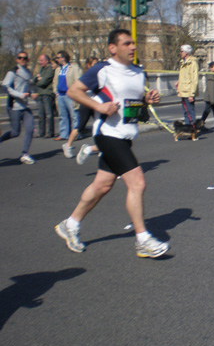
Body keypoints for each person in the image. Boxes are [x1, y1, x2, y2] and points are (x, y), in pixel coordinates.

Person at [54, 28, 169, 259]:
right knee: (137, 183)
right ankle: (142, 239)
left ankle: (71, 224)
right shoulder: (102, 69)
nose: (133, 47)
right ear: (113, 48)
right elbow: (75, 91)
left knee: (102, 185)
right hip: (107, 133)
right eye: (127, 43)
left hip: (125, 134)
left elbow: (132, 103)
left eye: (133, 43)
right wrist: (99, 107)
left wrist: (147, 100)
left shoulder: (138, 71)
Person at [1, 51, 36, 164]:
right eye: (20, 58)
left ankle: (24, 154)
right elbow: (6, 86)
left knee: (30, 128)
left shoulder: (28, 72)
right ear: (17, 59)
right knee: (15, 132)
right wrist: (19, 95)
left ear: (27, 60)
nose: (22, 60)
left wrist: (31, 93)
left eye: (24, 58)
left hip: (25, 106)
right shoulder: (13, 71)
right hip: (14, 106)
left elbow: (26, 88)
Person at [63, 57, 100, 160]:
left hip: (96, 103)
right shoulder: (89, 75)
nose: (96, 65)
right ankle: (68, 145)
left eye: (97, 63)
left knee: (100, 125)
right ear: (89, 65)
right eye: (94, 63)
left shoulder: (100, 74)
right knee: (80, 126)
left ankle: (101, 147)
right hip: (87, 102)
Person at [53, 50, 82, 144]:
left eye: (58, 57)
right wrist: (55, 91)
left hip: (70, 94)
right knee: (62, 116)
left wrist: (74, 91)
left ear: (63, 58)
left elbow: (78, 79)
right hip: (60, 95)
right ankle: (64, 134)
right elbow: (55, 81)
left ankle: (75, 134)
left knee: (74, 115)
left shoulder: (73, 67)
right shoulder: (58, 69)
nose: (57, 59)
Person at [32, 54, 56, 138]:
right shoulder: (41, 69)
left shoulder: (50, 69)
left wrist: (39, 80)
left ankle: (50, 132)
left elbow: (43, 82)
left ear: (47, 61)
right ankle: (41, 132)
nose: (40, 62)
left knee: (49, 114)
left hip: (47, 94)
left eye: (42, 60)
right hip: (40, 93)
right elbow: (34, 80)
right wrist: (38, 79)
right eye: (40, 60)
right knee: (41, 114)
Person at [176, 44, 199, 125]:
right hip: (183, 91)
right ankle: (187, 129)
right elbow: (183, 76)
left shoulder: (192, 63)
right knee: (186, 112)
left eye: (181, 51)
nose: (180, 53)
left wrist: (191, 94)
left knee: (190, 112)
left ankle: (192, 130)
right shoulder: (182, 63)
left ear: (186, 52)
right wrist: (178, 82)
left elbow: (194, 79)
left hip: (188, 91)